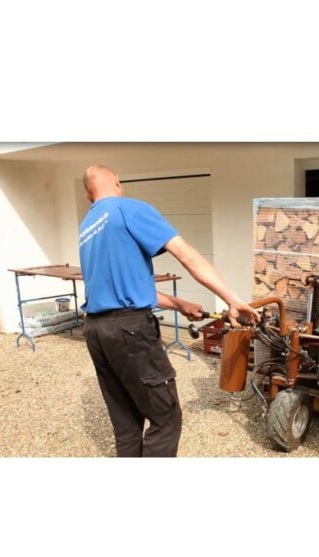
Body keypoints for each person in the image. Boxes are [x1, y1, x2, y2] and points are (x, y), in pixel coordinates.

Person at [79, 164, 259, 457]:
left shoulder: (87, 226)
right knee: (165, 417)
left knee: (126, 424)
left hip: (96, 331)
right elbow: (187, 256)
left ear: (89, 195)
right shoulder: (129, 209)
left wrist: (179, 304)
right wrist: (232, 299)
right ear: (118, 182)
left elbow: (124, 287)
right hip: (129, 331)